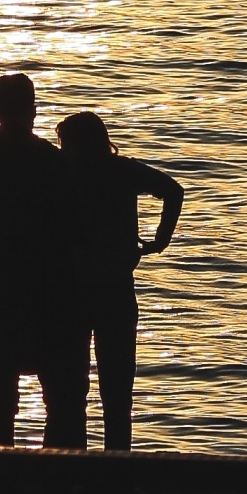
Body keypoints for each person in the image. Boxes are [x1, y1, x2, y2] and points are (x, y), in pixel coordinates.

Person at [0, 72, 86, 448]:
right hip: (47, 290)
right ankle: (58, 478)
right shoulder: (51, 164)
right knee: (59, 393)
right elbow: (75, 228)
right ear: (33, 110)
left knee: (1, 390)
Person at [55, 111, 183, 452]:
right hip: (116, 289)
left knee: (72, 394)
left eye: (65, 143)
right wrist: (160, 239)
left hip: (75, 292)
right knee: (117, 394)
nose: (62, 149)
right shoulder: (123, 171)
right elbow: (173, 191)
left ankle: (76, 470)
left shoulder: (65, 174)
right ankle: (117, 471)